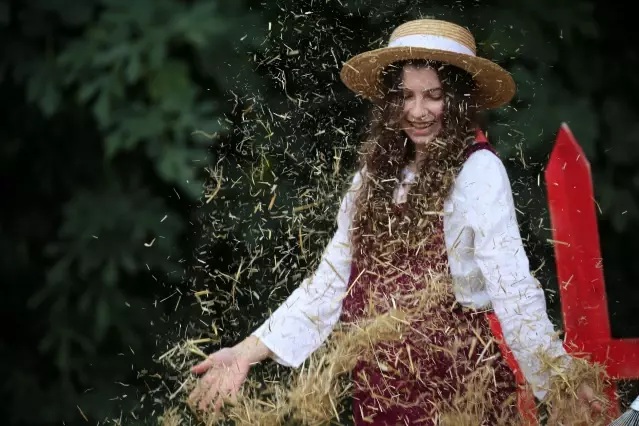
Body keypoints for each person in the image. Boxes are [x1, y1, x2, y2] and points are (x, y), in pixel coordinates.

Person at [188, 18, 604, 424]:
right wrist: (245, 351)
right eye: (405, 96)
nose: (418, 111)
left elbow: (513, 289)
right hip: (379, 395)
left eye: (434, 96)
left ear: (458, 101)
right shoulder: (372, 179)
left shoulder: (477, 172)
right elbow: (329, 284)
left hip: (460, 393)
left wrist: (561, 381)